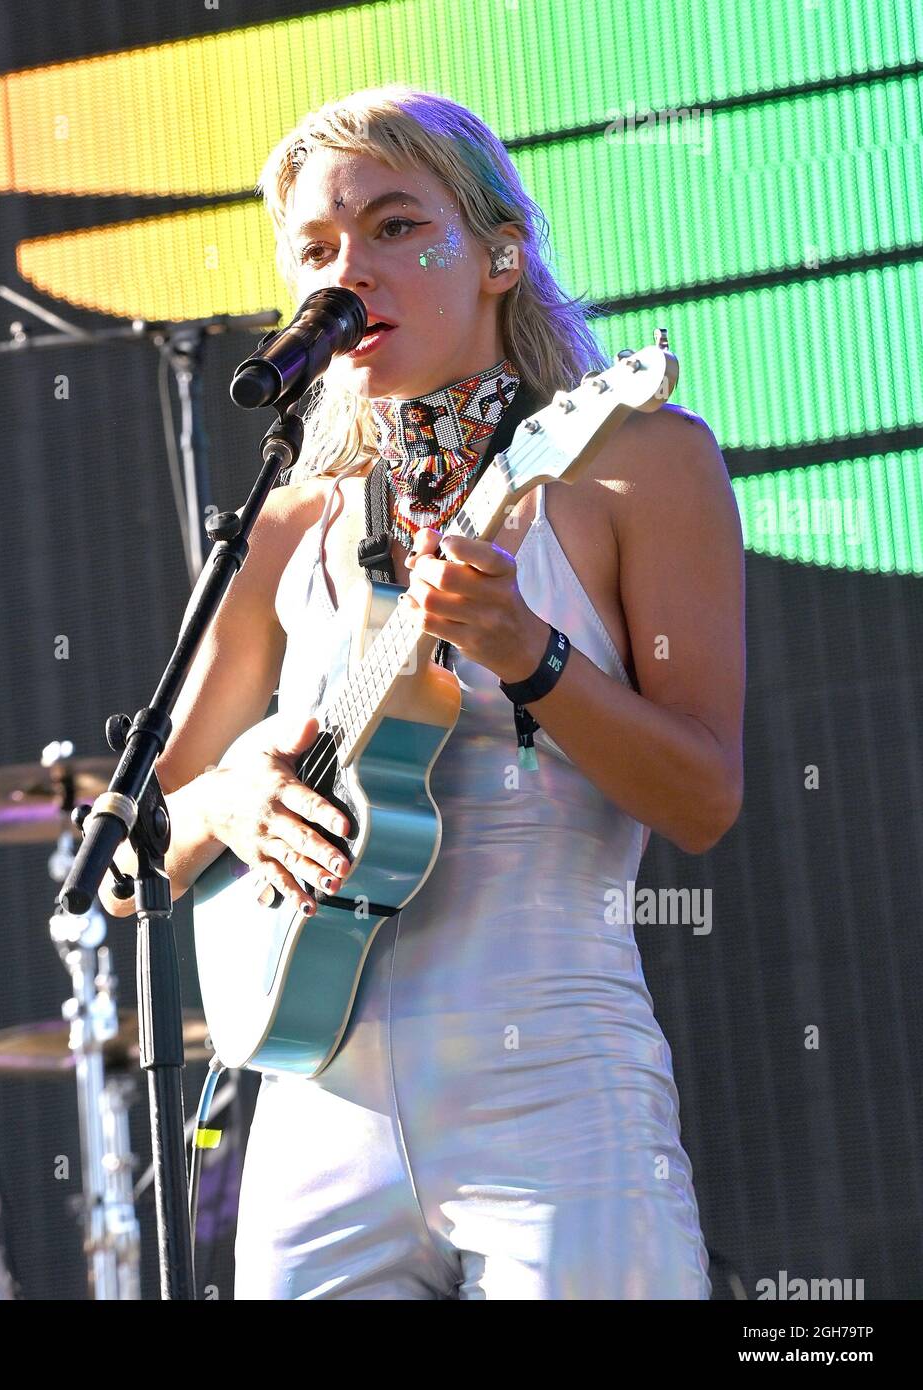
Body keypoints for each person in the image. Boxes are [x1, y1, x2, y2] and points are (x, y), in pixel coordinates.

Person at [101, 85, 745, 1300]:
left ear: (500, 253)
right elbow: (134, 864)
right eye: (317, 249)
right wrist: (233, 796)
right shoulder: (283, 525)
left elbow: (704, 796)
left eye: (397, 227)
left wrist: (530, 655)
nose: (352, 270)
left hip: (557, 1091)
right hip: (309, 1120)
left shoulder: (636, 465)